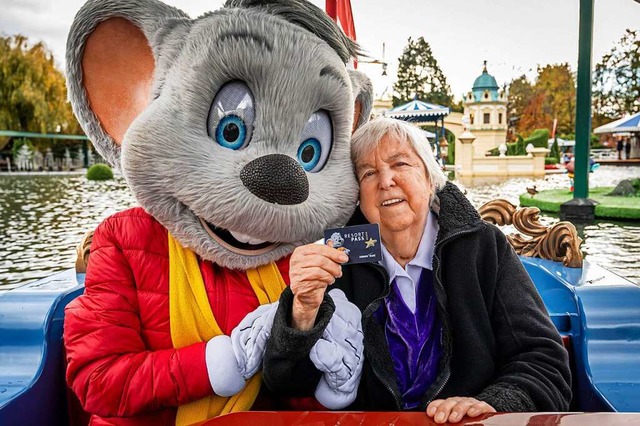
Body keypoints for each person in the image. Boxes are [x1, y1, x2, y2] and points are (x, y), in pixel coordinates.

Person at [263, 118, 572, 423]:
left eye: (400, 165)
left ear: (429, 179)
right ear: (358, 194)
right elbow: (286, 385)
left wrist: (488, 404)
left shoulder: (482, 247)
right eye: (369, 172)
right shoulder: (338, 258)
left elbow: (545, 363)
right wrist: (302, 309)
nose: (385, 181)